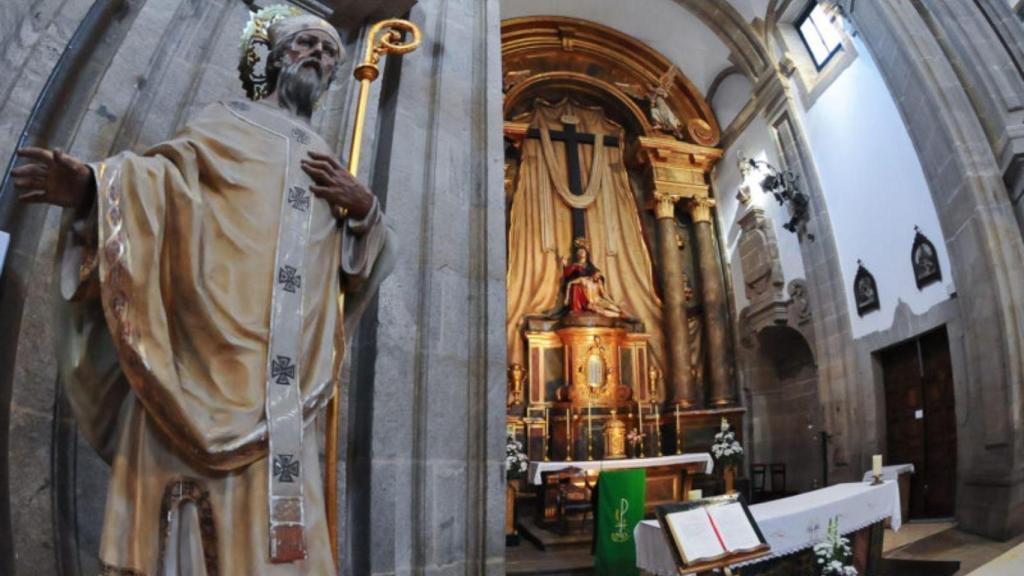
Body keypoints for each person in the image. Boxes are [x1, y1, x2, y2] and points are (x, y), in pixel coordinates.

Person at [10, 7, 393, 574]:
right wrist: (93, 186)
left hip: (283, 384)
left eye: (331, 52)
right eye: (307, 44)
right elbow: (161, 186)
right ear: (276, 56)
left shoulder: (328, 158)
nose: (320, 56)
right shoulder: (225, 122)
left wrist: (365, 212)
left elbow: (355, 270)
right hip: (201, 362)